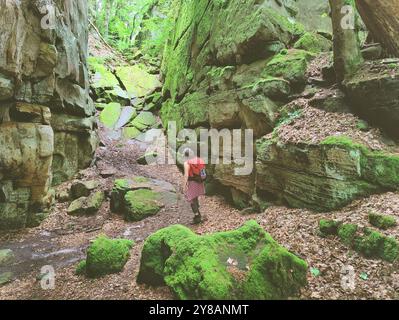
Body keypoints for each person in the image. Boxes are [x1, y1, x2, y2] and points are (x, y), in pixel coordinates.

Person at [183, 148, 206, 224]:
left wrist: (184, 186)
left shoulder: (187, 163)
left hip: (192, 182)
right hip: (199, 181)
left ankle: (197, 217)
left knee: (191, 199)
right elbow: (203, 173)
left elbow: (186, 175)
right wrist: (202, 179)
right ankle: (199, 214)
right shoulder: (199, 160)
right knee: (195, 198)